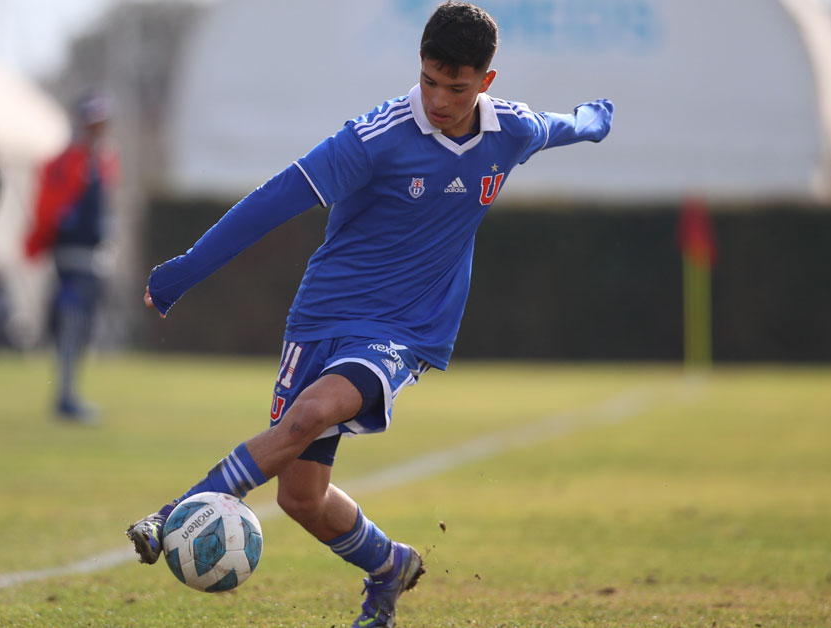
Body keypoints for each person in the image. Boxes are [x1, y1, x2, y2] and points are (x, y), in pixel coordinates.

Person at [127, 2, 613, 625]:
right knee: (301, 497)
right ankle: (391, 567)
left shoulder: (509, 133)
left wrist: (594, 120)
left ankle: (174, 513)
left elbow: (562, 126)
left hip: (403, 333)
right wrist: (185, 270)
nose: (438, 98)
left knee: (307, 416)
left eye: (456, 87)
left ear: (485, 82)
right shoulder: (375, 137)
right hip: (321, 319)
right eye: (429, 80)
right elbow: (277, 199)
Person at [24, 92, 118, 423]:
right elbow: (49, 210)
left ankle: (69, 393)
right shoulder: (68, 163)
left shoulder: (101, 162)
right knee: (70, 324)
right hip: (71, 258)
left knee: (83, 329)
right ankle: (65, 397)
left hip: (92, 257)